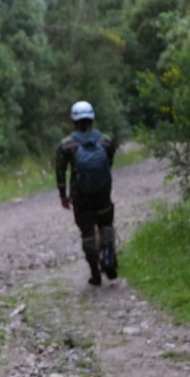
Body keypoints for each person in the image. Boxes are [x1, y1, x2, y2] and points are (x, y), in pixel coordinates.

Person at [55, 100, 119, 286]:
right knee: (106, 225)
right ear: (92, 118)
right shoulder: (106, 141)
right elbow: (109, 164)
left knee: (87, 234)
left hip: (81, 196)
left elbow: (60, 171)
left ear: (73, 120)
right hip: (103, 193)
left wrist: (63, 195)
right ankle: (108, 257)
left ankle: (94, 272)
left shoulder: (66, 145)